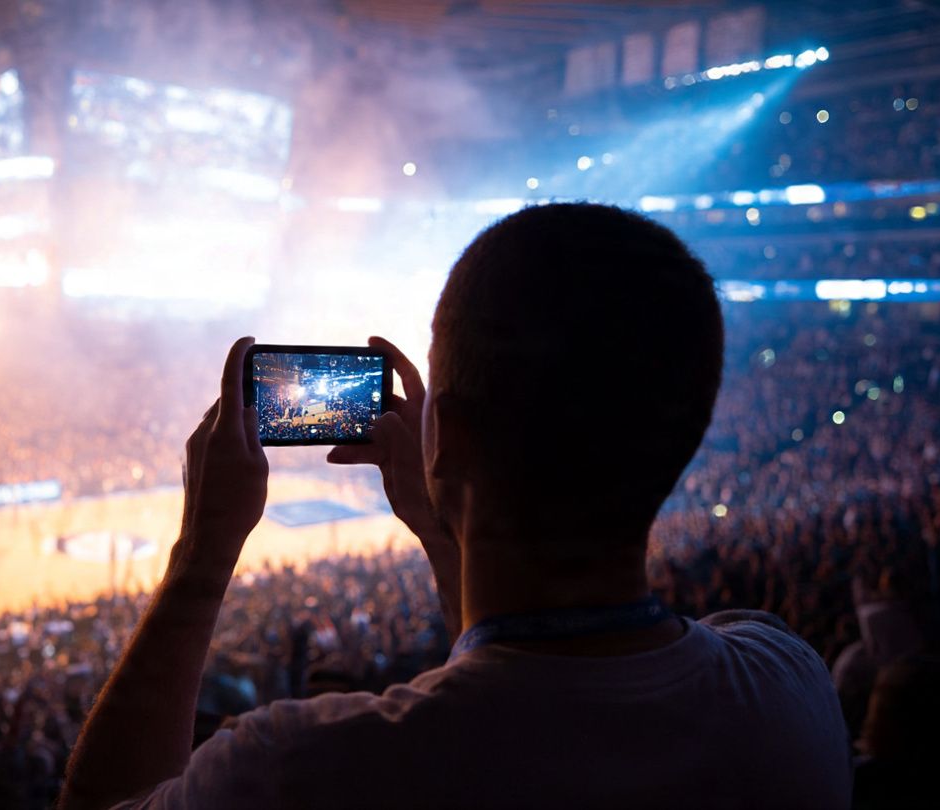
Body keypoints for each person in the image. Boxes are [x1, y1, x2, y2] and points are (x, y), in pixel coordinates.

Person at [61, 203, 851, 808]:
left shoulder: (301, 769)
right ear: (687, 433)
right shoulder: (791, 692)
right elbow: (537, 668)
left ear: (450, 441)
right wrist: (449, 532)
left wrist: (200, 559)